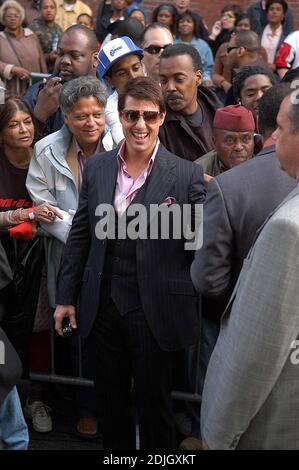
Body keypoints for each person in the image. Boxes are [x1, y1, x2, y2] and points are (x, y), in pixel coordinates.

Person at [53, 76, 205, 450]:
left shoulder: (185, 175)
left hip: (156, 310)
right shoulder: (100, 167)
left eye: (149, 116)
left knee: (156, 412)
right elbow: (81, 236)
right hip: (103, 307)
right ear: (119, 116)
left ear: (162, 117)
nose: (140, 124)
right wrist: (66, 297)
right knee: (112, 408)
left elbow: (198, 244)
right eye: (132, 115)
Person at [184, 83, 295, 450]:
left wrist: (219, 435)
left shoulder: (281, 223)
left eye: (280, 128)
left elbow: (208, 281)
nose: (241, 147)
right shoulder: (205, 175)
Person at [26, 76, 113, 437]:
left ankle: (115, 404)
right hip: (68, 261)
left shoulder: (121, 144)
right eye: (80, 115)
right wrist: (87, 232)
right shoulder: (45, 151)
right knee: (77, 332)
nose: (90, 122)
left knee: (113, 331)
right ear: (65, 115)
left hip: (116, 255)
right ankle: (86, 406)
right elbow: (43, 209)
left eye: (96, 114)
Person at [0, 96, 61, 435]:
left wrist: (36, 224)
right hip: (2, 265)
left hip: (37, 261)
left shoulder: (45, 159)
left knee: (39, 330)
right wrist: (21, 216)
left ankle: (36, 398)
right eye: (13, 124)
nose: (22, 130)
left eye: (27, 122)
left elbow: (61, 207)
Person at [23, 24, 99, 140]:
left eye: (75, 55)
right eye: (60, 54)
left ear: (94, 59)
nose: (64, 61)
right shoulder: (36, 96)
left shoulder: (111, 95)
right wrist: (39, 115)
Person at [159, 43, 221, 161]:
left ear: (198, 78)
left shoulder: (215, 108)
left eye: (179, 79)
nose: (170, 87)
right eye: (163, 80)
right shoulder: (156, 122)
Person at [98, 35, 144, 145]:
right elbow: (127, 146)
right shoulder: (111, 107)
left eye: (136, 68)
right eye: (122, 73)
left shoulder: (159, 93)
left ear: (143, 67)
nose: (133, 77)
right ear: (109, 80)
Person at [0, 0, 47, 93]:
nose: (13, 18)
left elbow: (42, 62)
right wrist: (12, 69)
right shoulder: (1, 37)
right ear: (3, 19)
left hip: (34, 89)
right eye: (9, 16)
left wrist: (45, 81)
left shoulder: (31, 36)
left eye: (16, 16)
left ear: (21, 18)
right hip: (11, 91)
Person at [195, 105, 255, 176]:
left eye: (245, 139)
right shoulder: (198, 173)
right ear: (214, 142)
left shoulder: (266, 165)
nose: (239, 147)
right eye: (230, 140)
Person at [175, 11, 214, 86]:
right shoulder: (171, 42)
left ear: (195, 25)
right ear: (177, 25)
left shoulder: (203, 46)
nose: (185, 24)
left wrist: (206, 79)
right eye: (181, 21)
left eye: (189, 21)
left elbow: (208, 68)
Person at [29, 0, 63, 73]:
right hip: (39, 73)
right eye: (45, 7)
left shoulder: (59, 28)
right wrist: (49, 57)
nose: (49, 10)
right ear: (40, 10)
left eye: (52, 7)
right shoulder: (32, 29)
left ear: (56, 10)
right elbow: (29, 57)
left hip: (56, 72)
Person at [261, 0, 288, 71]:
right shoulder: (258, 33)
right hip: (258, 71)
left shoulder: (287, 37)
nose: (274, 12)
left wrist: (277, 66)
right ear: (267, 14)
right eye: (271, 9)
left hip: (278, 75)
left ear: (283, 16)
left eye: (278, 9)